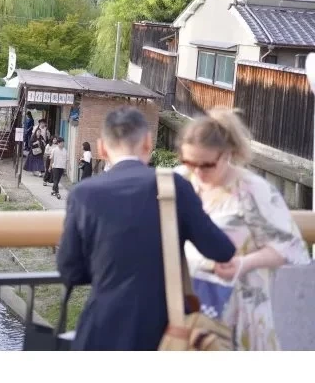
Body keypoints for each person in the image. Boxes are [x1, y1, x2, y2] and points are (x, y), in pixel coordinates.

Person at [57, 107, 236, 351]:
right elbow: (222, 250)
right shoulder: (174, 187)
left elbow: (70, 271)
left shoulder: (83, 194)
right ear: (148, 143)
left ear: (101, 149)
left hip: (102, 330)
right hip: (164, 333)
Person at [176, 108, 310, 351]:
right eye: (189, 162)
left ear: (228, 154)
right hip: (190, 308)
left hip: (240, 312)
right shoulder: (180, 180)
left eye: (206, 165)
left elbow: (290, 248)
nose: (196, 172)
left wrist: (242, 264)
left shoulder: (254, 190)